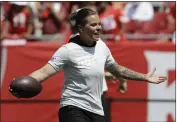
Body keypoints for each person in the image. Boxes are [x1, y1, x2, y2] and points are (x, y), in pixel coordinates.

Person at [15, 8, 167, 122]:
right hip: (72, 108)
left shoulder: (102, 46)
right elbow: (43, 73)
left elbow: (118, 69)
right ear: (81, 29)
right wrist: (20, 84)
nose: (99, 28)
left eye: (99, 24)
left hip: (96, 110)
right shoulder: (68, 50)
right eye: (93, 25)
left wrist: (145, 77)